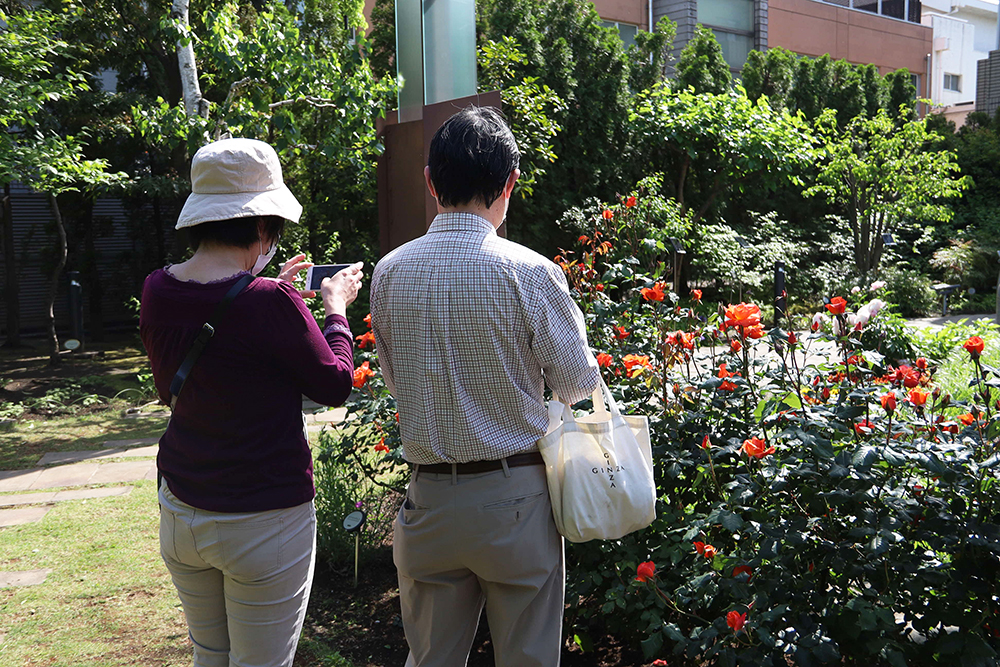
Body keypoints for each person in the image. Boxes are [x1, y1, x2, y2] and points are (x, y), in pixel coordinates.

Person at [370, 106, 600, 667]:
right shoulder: (532, 271)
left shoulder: (390, 272)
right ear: (509, 183)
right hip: (515, 500)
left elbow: (396, 379)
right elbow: (577, 386)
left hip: (428, 500)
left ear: (430, 181)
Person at [139, 137, 363, 667]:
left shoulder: (156, 288)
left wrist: (263, 288)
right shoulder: (270, 302)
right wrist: (335, 310)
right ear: (265, 226)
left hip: (182, 508)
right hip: (265, 519)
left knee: (210, 657)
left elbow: (177, 377)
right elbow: (334, 383)